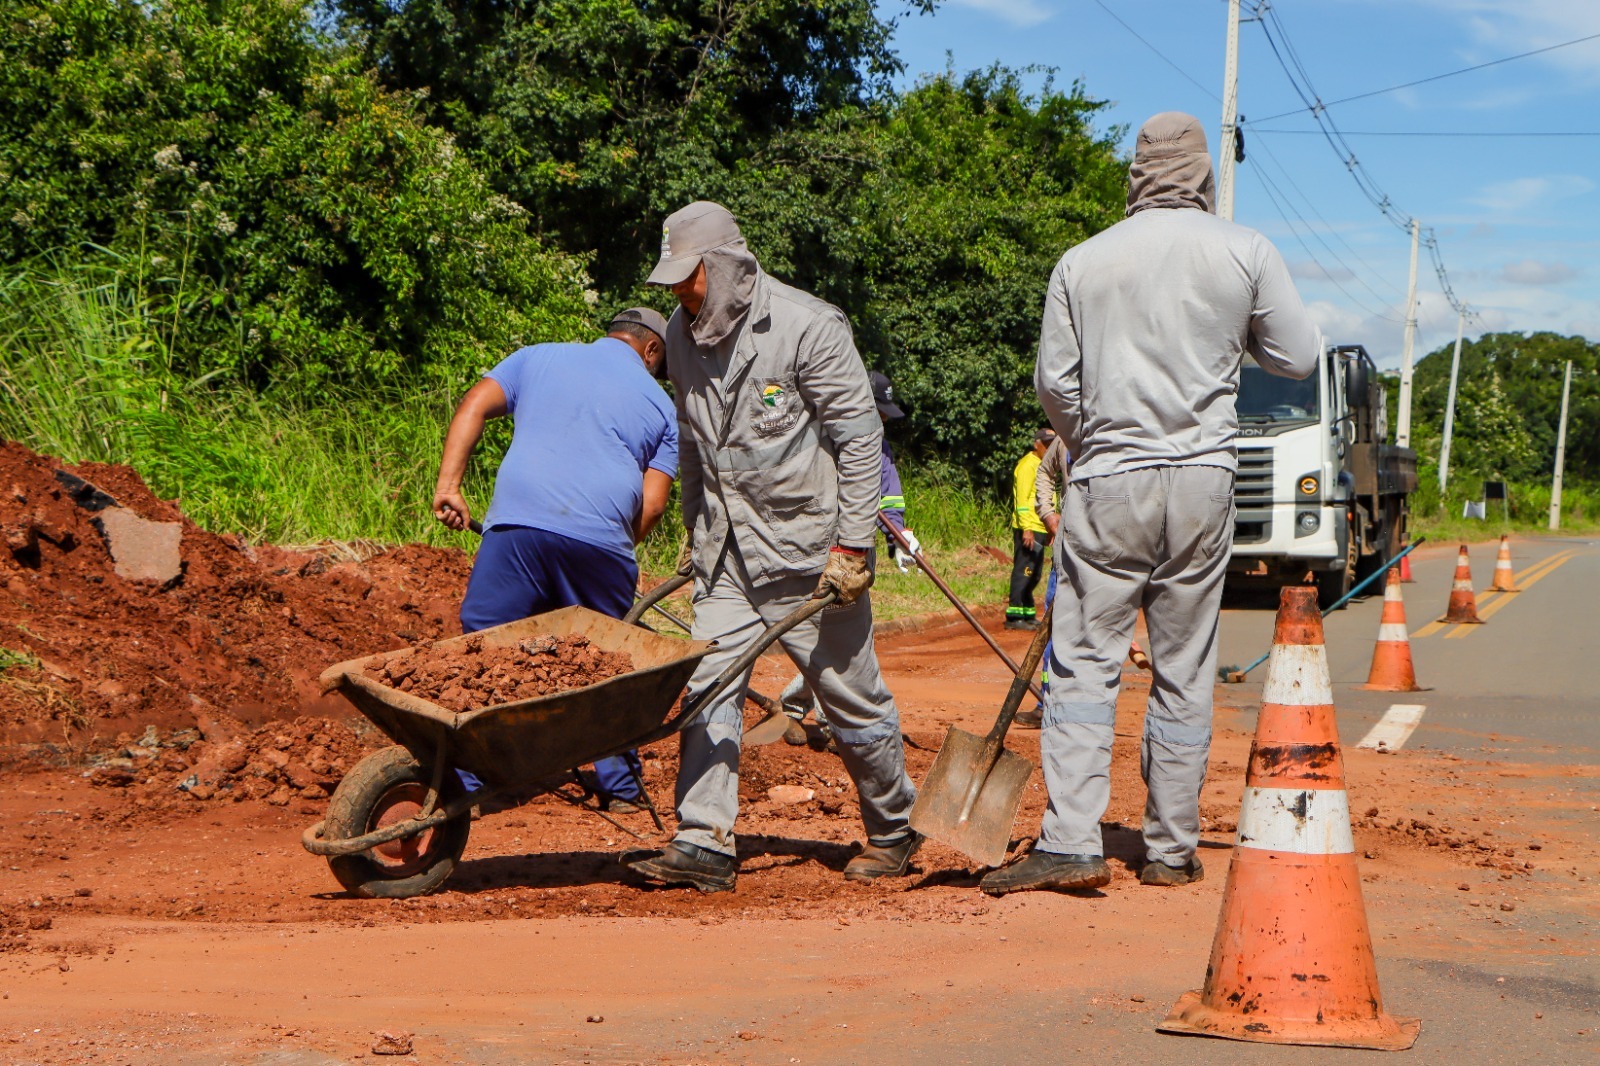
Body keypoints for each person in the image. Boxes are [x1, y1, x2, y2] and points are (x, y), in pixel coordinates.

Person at [982, 112, 1317, 896]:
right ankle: (1169, 848)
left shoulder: (1083, 261)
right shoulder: (1246, 251)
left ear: (1135, 174)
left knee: (1087, 661)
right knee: (1184, 663)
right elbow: (1298, 357)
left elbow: (1054, 388)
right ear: (1203, 175)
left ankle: (1069, 843)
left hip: (1108, 475)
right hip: (1203, 479)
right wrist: (1232, 338)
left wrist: (1085, 440)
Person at [623, 200, 919, 892]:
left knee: (850, 700)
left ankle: (894, 827)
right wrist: (698, 536)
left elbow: (859, 441)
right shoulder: (680, 332)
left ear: (724, 267)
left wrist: (853, 546)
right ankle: (703, 841)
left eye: (687, 277)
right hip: (727, 553)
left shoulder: (808, 327)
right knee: (709, 683)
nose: (676, 292)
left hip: (809, 555)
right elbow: (693, 446)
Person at [432, 307, 678, 813]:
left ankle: (468, 784)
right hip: (601, 543)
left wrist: (449, 487)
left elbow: (474, 405)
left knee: (485, 640)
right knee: (604, 659)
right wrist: (608, 545)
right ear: (651, 351)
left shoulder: (536, 358)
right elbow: (653, 503)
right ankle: (622, 791)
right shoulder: (663, 405)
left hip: (517, 528)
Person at [778, 368, 920, 749]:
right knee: (837, 635)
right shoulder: (822, 434)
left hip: (858, 552)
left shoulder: (880, 446)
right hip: (823, 547)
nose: (886, 419)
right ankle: (826, 720)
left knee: (838, 635)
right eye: (881, 411)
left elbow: (888, 496)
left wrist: (899, 537)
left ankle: (796, 707)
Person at [1015, 438, 1153, 730]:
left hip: (1111, 552)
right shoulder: (1066, 437)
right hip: (1068, 549)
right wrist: (1048, 514)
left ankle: (1092, 709)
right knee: (1055, 628)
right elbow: (1044, 472)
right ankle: (1047, 704)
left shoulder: (1123, 434)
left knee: (1102, 628)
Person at [1005, 428, 1055, 630]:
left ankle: (1027, 613)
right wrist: (1027, 528)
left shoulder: (1044, 465)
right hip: (1029, 528)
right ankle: (1014, 615)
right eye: (1047, 444)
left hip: (1040, 526)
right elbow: (1022, 501)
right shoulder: (1027, 466)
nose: (1050, 448)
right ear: (1037, 444)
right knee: (1024, 571)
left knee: (1034, 573)